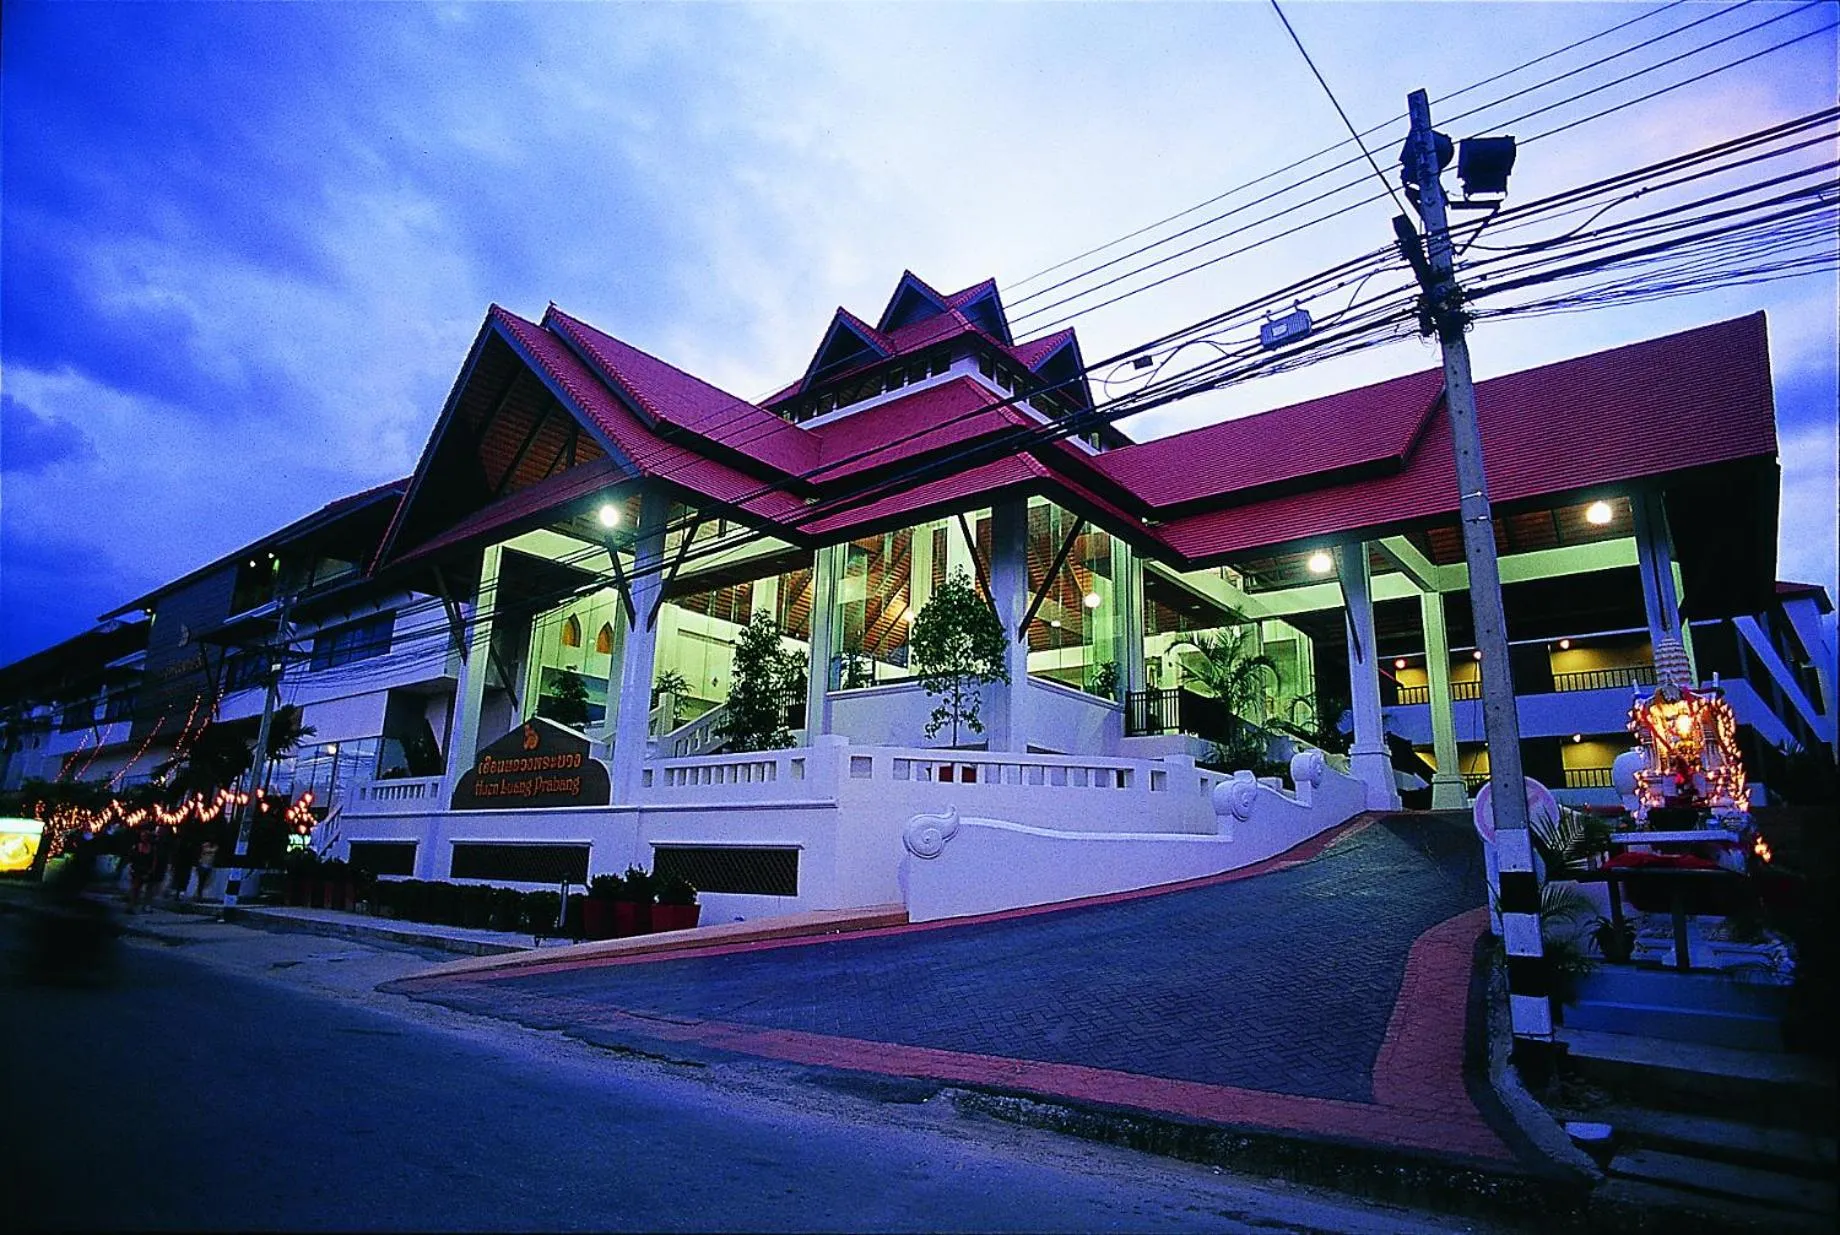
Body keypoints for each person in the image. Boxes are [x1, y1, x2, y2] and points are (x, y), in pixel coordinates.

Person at [125, 827, 157, 913]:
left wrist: (150, 871)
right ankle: (131, 906)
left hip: (145, 871)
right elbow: (131, 858)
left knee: (145, 889)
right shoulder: (136, 847)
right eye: (142, 836)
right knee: (135, 889)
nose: (144, 838)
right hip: (136, 870)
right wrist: (130, 867)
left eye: (145, 836)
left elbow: (153, 861)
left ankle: (141, 906)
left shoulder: (152, 849)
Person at [168, 826, 199, 903]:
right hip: (182, 863)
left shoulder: (185, 842)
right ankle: (177, 894)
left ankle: (178, 894)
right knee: (180, 878)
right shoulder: (182, 842)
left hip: (184, 864)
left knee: (182, 879)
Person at [193, 833, 219, 903]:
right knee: (201, 882)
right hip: (202, 866)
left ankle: (198, 895)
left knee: (204, 882)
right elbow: (209, 850)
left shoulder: (213, 846)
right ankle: (198, 896)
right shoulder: (206, 845)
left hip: (208, 866)